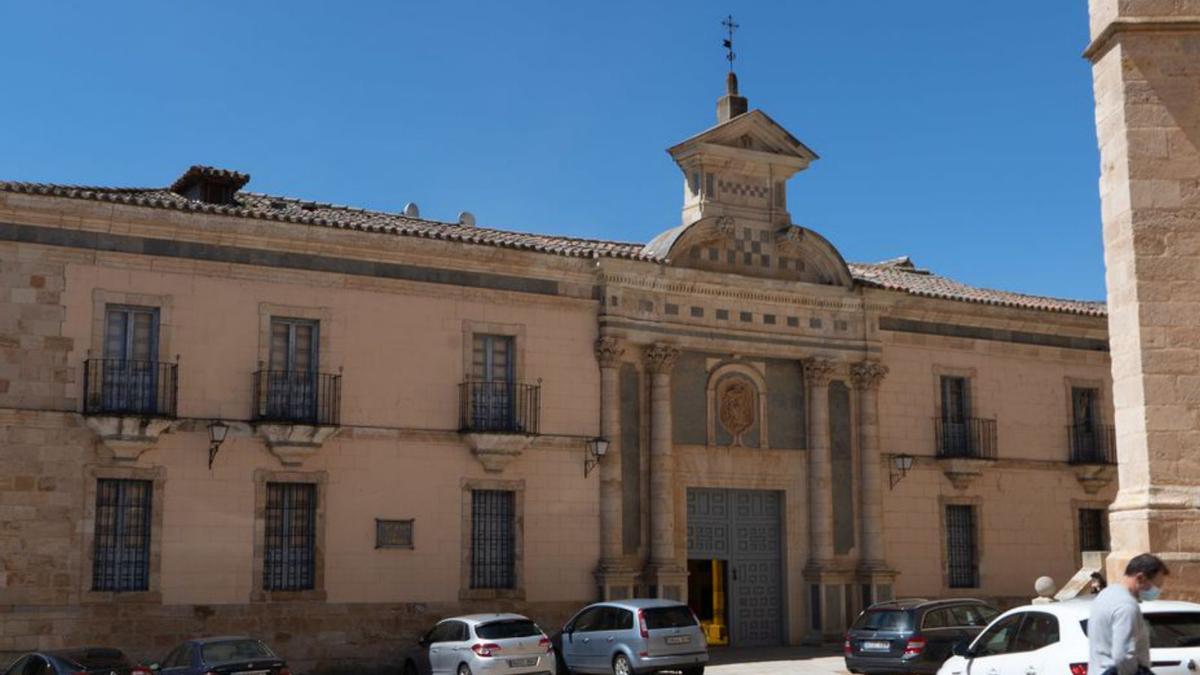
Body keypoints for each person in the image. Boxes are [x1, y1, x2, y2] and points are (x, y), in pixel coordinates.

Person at [1088, 553, 1170, 675]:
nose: (1157, 591)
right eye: (1156, 585)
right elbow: (1123, 656)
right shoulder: (1127, 607)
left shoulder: (1106, 594)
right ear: (1140, 578)